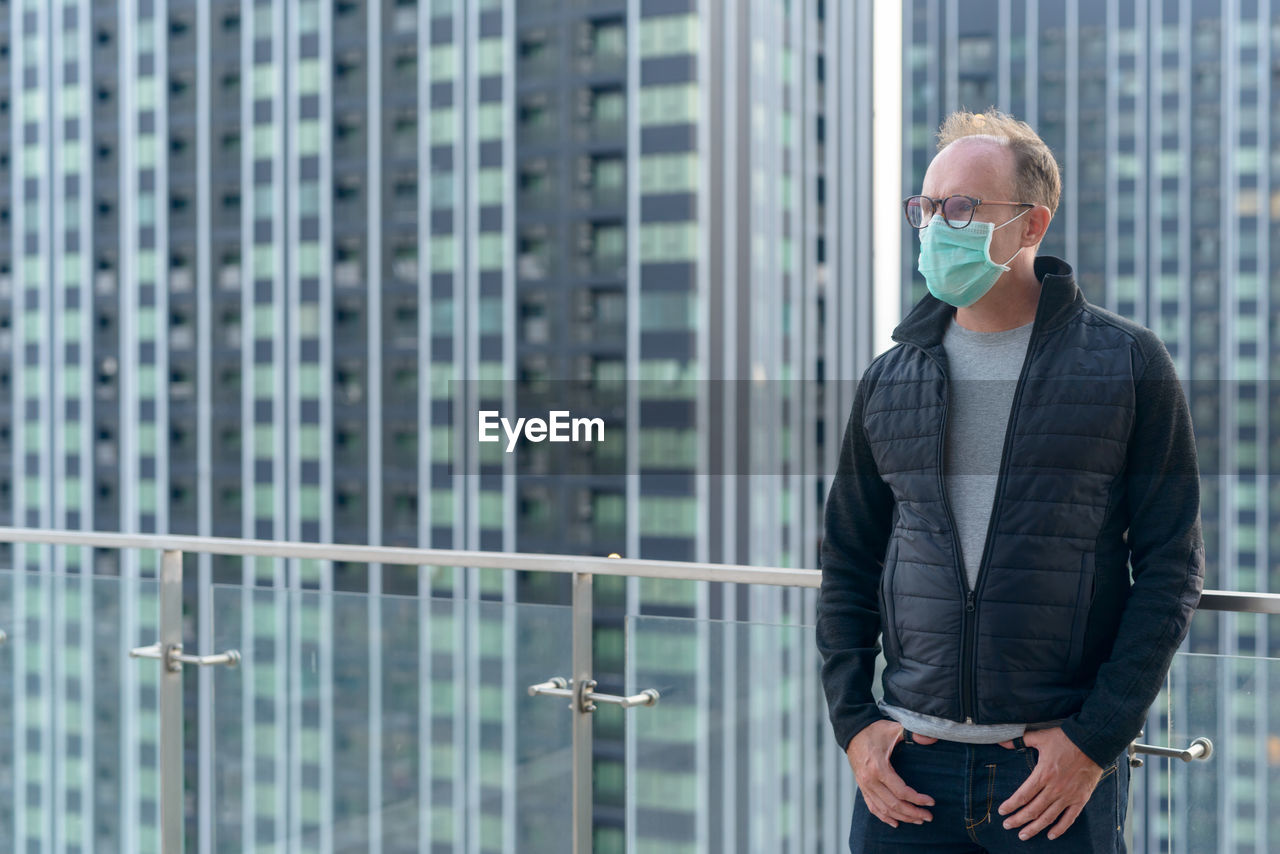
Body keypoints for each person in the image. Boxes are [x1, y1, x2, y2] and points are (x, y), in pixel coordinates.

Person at [816, 109, 1204, 853]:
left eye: (962, 206)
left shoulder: (1128, 364)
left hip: (1049, 774)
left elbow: (1171, 565)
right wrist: (855, 727)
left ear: (1032, 226)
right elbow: (847, 560)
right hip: (907, 775)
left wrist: (1095, 741)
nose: (936, 224)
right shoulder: (889, 379)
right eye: (927, 206)